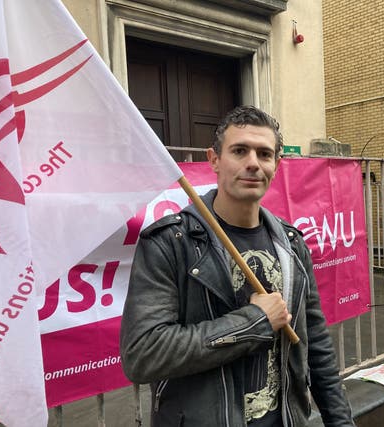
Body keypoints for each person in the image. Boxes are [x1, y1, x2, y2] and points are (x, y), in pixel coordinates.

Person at [120, 105, 354, 427]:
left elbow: (316, 345)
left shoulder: (293, 244)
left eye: (264, 154)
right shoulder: (170, 243)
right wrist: (255, 321)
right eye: (239, 151)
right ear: (214, 160)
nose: (253, 163)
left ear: (277, 165)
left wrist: (340, 421)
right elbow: (144, 354)